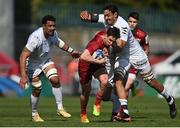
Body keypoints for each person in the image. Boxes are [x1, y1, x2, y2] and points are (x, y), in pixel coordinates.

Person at [80, 4, 177, 121]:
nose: (105, 18)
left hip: (136, 55)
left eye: (108, 15)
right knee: (117, 80)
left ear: (115, 15)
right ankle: (124, 112)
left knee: (150, 81)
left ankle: (170, 99)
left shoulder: (123, 26)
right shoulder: (107, 18)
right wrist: (85, 16)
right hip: (123, 57)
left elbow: (120, 46)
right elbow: (93, 17)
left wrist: (107, 47)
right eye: (105, 15)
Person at [19, 15, 81, 122]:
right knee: (37, 89)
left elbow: (59, 42)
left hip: (45, 61)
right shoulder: (35, 38)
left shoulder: (53, 34)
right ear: (43, 26)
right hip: (32, 64)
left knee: (55, 80)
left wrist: (71, 51)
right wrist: (23, 76)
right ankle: (34, 114)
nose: (52, 28)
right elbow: (23, 56)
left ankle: (60, 108)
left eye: (54, 25)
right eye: (50, 26)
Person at [78, 27, 120, 123]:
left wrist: (105, 49)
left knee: (105, 81)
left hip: (97, 63)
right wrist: (98, 60)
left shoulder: (107, 33)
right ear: (105, 36)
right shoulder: (96, 43)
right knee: (86, 92)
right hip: (85, 65)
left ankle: (97, 104)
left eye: (112, 41)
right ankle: (83, 114)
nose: (110, 43)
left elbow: (98, 32)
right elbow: (83, 56)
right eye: (109, 40)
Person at [125, 12, 150, 98]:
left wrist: (141, 61)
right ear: (127, 21)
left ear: (137, 22)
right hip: (123, 60)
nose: (132, 24)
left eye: (134, 22)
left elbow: (146, 50)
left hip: (134, 62)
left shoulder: (143, 35)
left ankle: (123, 110)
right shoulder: (122, 31)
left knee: (126, 87)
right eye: (130, 21)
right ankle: (133, 85)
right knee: (121, 85)